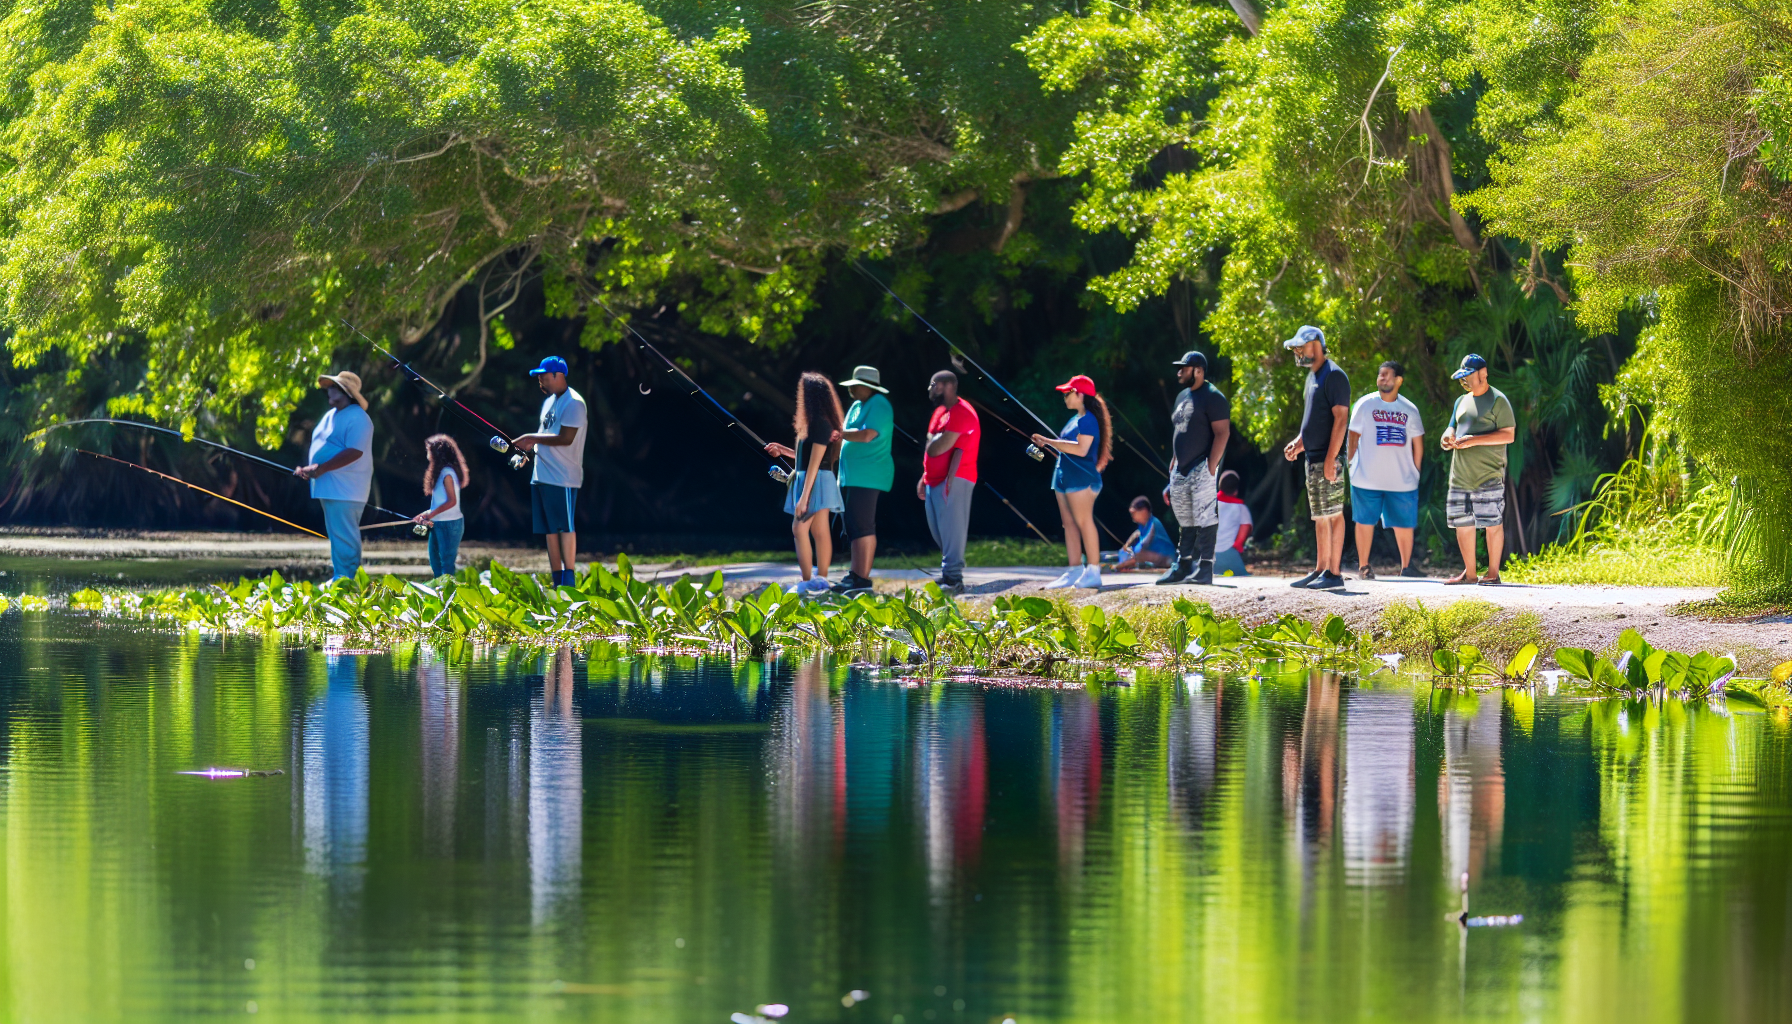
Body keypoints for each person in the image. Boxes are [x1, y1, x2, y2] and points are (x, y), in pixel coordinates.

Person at [764, 372, 847, 596]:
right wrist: (783, 450)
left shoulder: (821, 422)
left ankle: (810, 581)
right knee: (820, 531)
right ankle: (819, 581)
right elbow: (805, 457)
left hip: (816, 480)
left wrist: (804, 496)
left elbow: (816, 460)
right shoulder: (814, 423)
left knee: (799, 529)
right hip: (813, 478)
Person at [1281, 325, 1350, 590]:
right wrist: (1299, 444)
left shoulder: (1334, 375)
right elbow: (1314, 420)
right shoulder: (1313, 377)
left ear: (1317, 345)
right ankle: (1321, 569)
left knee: (1333, 514)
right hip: (1312, 458)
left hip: (1328, 458)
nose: (1298, 352)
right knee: (1320, 516)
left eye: (1301, 346)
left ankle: (1334, 574)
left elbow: (1341, 418)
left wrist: (1332, 458)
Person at [511, 356, 588, 588]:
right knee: (549, 531)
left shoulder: (574, 403)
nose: (540, 380)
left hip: (563, 477)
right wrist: (524, 453)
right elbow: (542, 436)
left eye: (544, 375)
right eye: (538, 377)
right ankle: (557, 581)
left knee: (565, 527)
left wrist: (529, 438)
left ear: (558, 375)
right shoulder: (548, 403)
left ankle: (570, 580)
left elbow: (566, 438)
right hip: (541, 476)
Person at [1440, 354, 1517, 585]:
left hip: (1488, 474)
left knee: (1492, 522)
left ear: (1483, 374)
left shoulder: (1498, 400)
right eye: (1462, 377)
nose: (1464, 381)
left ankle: (1493, 573)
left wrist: (1474, 440)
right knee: (1462, 524)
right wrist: (1447, 436)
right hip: (1460, 475)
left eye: (1468, 376)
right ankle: (1470, 573)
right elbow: (1452, 426)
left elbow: (1509, 434)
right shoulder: (1461, 401)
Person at [1031, 374, 1112, 590]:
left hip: (1082, 480)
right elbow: (1067, 446)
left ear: (1080, 395)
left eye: (1068, 393)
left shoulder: (1088, 420)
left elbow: (1081, 449)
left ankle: (1093, 571)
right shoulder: (1075, 418)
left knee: (1084, 522)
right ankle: (1074, 569)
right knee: (1069, 525)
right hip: (1064, 478)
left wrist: (1048, 442)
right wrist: (1049, 444)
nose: (1064, 397)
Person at [1158, 350, 1231, 586]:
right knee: (1185, 517)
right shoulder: (1182, 397)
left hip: (1202, 464)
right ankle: (1183, 565)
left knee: (1205, 516)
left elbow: (1222, 433)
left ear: (1198, 371)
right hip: (1180, 466)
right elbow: (1180, 431)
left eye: (1184, 368)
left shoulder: (1213, 397)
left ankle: (1205, 568)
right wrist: (1173, 462)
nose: (1179, 372)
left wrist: (1212, 465)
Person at [1347, 360, 1425, 579]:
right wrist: (1352, 465)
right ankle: (1364, 567)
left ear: (1399, 380)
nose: (1382, 378)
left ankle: (1407, 567)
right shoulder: (1365, 404)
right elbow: (1353, 436)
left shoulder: (1409, 409)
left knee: (1404, 523)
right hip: (1366, 478)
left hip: (1401, 479)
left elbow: (1418, 443)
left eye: (1387, 375)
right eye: (1380, 375)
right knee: (1364, 521)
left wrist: (1415, 472)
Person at [294, 370, 373, 583]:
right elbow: (325, 448)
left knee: (344, 534)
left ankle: (347, 579)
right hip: (328, 487)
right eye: (329, 387)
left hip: (346, 489)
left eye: (334, 387)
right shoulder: (330, 416)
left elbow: (355, 451)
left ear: (347, 392)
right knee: (337, 534)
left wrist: (321, 468)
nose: (329, 390)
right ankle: (341, 577)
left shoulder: (358, 417)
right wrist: (309, 469)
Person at [833, 365, 894, 595]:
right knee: (853, 525)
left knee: (863, 525)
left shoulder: (879, 404)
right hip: (851, 475)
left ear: (867, 387)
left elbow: (868, 435)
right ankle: (855, 575)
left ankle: (862, 579)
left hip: (869, 475)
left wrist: (839, 434)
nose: (852, 390)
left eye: (855, 386)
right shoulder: (857, 406)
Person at [917, 370, 979, 595]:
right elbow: (930, 448)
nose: (930, 389)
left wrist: (935, 442)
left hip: (956, 479)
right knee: (939, 531)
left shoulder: (962, 412)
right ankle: (948, 575)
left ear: (946, 386)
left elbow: (938, 448)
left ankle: (954, 579)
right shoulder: (940, 413)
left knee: (952, 530)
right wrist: (923, 477)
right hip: (932, 480)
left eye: (933, 384)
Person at [412, 434, 469, 579]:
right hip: (438, 523)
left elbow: (452, 501)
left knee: (446, 565)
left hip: (450, 525)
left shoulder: (447, 474)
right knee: (435, 562)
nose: (427, 454)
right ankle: (440, 594)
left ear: (437, 454)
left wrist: (430, 515)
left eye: (429, 451)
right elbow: (439, 502)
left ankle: (448, 596)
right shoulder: (441, 473)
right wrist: (425, 514)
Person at [1115, 496, 1177, 571]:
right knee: (1132, 554)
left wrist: (1131, 553)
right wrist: (1126, 545)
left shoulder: (1153, 524)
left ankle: (1120, 566)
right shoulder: (1142, 525)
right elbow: (1137, 533)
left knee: (1139, 554)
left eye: (1133, 513)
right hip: (1155, 557)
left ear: (1144, 511)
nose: (1132, 516)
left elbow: (1144, 544)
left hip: (1168, 558)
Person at [1215, 469, 1254, 577]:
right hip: (1229, 553)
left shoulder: (1210, 505)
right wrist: (1237, 546)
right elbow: (1245, 528)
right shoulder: (1241, 508)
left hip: (1207, 554)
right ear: (1236, 491)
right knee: (1243, 576)